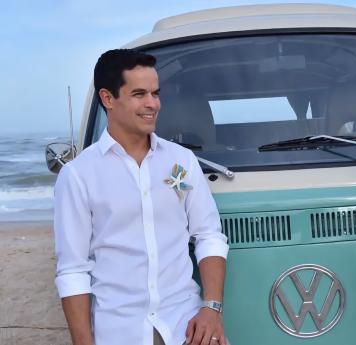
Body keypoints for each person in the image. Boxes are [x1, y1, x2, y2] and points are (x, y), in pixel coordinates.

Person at [53, 49, 229, 345]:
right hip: (120, 330)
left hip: (186, 325)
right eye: (139, 94)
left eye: (155, 93)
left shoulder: (181, 162)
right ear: (108, 98)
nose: (152, 104)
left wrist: (211, 309)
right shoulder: (78, 175)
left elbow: (209, 235)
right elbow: (73, 269)